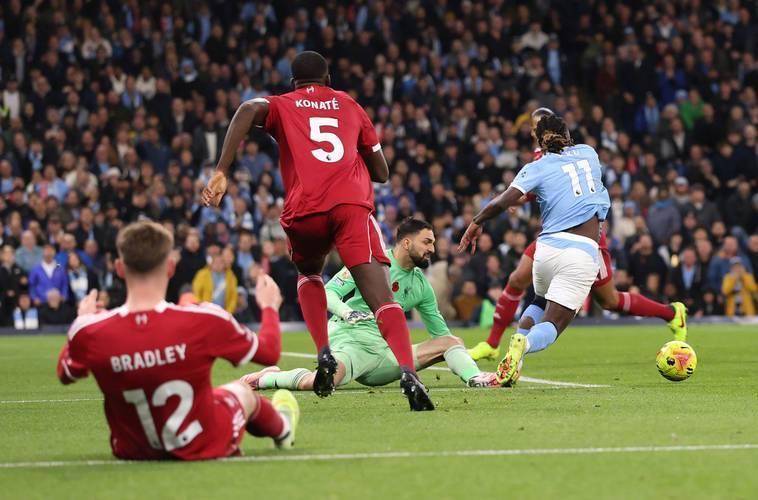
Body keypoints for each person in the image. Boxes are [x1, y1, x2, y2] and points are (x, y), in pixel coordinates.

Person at [201, 51, 432, 410]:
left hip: (305, 208)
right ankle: (409, 373)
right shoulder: (350, 105)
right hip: (350, 207)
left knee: (309, 274)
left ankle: (324, 352)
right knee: (383, 299)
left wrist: (221, 171)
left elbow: (246, 109)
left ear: (294, 83)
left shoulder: (283, 104)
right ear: (328, 79)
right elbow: (382, 172)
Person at [56, 220, 300, 460]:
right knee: (241, 392)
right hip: (203, 442)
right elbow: (269, 352)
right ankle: (282, 428)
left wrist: (81, 320)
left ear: (119, 269)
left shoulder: (89, 330)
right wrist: (269, 307)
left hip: (132, 450)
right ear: (170, 267)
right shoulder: (203, 318)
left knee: (220, 393)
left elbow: (66, 374)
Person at [469, 108, 688, 362]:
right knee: (519, 279)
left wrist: (513, 200)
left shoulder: (549, 159)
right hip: (555, 234)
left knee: (609, 300)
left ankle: (671, 313)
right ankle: (495, 345)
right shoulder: (578, 153)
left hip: (587, 239)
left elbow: (547, 186)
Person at [244, 219, 498, 392]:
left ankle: (476, 378)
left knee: (450, 342)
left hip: (386, 355)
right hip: (351, 342)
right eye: (427, 242)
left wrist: (465, 355)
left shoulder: (422, 286)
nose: (432, 248)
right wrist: (347, 311)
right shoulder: (370, 263)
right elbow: (327, 292)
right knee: (322, 383)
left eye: (433, 242)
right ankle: (267, 378)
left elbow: (440, 334)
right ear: (406, 243)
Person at [459, 114, 611, 386]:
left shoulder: (536, 167)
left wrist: (475, 222)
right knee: (553, 324)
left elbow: (503, 201)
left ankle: (514, 362)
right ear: (568, 135)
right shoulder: (589, 153)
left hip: (546, 250)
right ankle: (524, 343)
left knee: (540, 301)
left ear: (539, 142)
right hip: (580, 251)